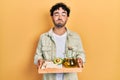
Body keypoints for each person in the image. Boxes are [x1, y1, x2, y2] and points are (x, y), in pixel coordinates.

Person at [34, 2, 86, 80]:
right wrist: (39, 60)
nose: (60, 17)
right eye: (56, 14)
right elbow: (38, 55)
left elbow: (81, 54)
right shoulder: (43, 37)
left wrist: (80, 60)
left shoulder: (75, 37)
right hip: (49, 78)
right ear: (52, 17)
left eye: (63, 14)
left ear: (67, 17)